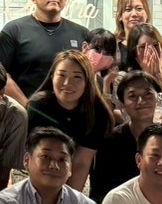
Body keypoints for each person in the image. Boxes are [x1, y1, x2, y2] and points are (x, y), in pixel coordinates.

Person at [23, 50, 114, 194]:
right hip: (35, 171)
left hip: (71, 172)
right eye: (61, 75)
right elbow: (32, 155)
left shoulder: (97, 113)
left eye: (77, 77)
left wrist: (69, 200)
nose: (67, 83)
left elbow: (81, 162)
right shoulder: (38, 106)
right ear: (52, 77)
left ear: (87, 81)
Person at [0, 0, 89, 106]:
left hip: (71, 112)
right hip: (24, 111)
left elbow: (89, 75)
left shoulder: (81, 33)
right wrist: (29, 109)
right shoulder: (14, 30)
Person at [92, 71, 162, 204]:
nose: (141, 101)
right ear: (122, 104)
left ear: (159, 99)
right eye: (132, 96)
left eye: (148, 94)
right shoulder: (110, 141)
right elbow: (100, 190)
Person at [113, 0, 162, 76]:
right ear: (120, 16)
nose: (134, 14)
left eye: (139, 9)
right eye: (128, 10)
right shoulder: (113, 46)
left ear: (147, 14)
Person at [122, 23, 162, 94]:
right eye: (143, 47)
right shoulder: (123, 80)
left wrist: (160, 76)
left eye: (155, 45)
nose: (151, 52)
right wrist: (146, 77)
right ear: (134, 52)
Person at [81, 28, 120, 99]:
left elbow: (107, 106)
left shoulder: (107, 79)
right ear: (85, 47)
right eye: (97, 49)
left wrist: (107, 83)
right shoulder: (72, 72)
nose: (101, 55)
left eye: (107, 53)